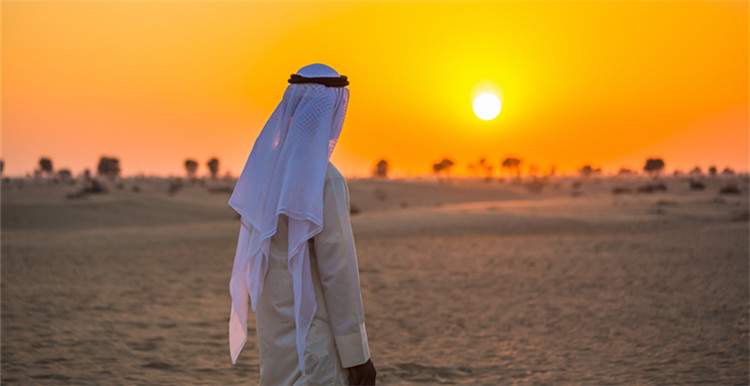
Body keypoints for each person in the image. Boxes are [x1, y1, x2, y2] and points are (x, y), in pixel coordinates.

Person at [228, 63, 376, 385]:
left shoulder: (264, 172)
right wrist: (357, 355)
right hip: (317, 345)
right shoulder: (326, 180)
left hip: (274, 342)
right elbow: (338, 272)